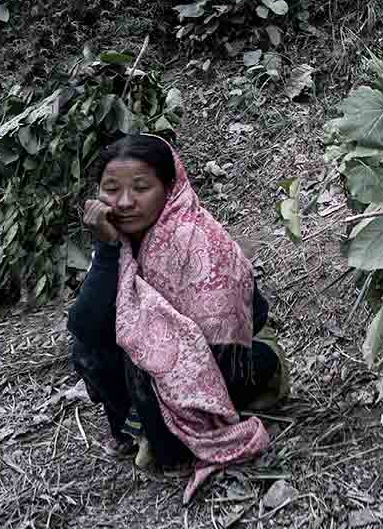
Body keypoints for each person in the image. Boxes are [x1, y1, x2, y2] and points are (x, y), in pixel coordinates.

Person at [68, 135, 289, 502]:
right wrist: (106, 250)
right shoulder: (117, 239)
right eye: (111, 189)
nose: (124, 202)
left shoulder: (195, 238)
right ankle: (144, 427)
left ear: (170, 187)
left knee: (162, 420)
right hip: (172, 365)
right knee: (89, 350)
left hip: (233, 360)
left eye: (141, 188)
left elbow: (230, 338)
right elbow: (85, 326)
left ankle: (165, 429)